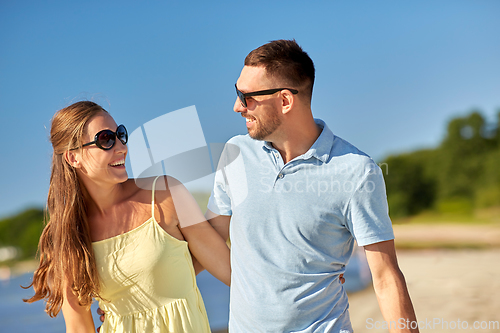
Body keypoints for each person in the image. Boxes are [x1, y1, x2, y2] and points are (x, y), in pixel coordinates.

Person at [206, 39, 419, 332]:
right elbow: (208, 241)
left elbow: (385, 278)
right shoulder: (235, 154)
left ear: (284, 100)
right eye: (237, 93)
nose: (237, 107)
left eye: (247, 97)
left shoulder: (356, 171)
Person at [24, 101, 231, 333]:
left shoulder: (165, 194)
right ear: (73, 158)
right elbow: (78, 326)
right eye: (105, 139)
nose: (121, 147)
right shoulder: (70, 234)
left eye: (120, 135)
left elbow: (231, 270)